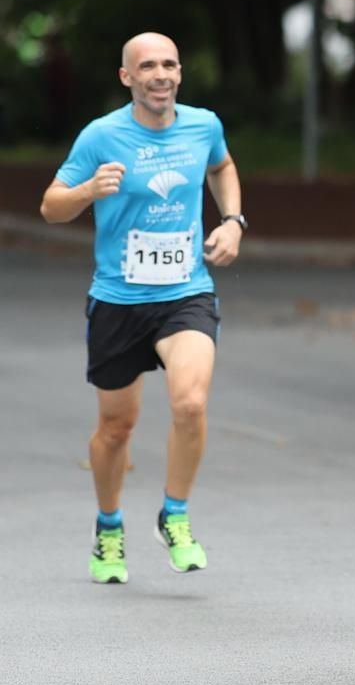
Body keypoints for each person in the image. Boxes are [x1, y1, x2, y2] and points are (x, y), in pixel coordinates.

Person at [39, 32, 246, 584]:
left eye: (169, 64)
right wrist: (87, 191)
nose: (161, 75)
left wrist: (232, 221)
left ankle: (174, 515)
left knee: (190, 402)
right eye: (148, 66)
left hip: (186, 293)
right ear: (126, 77)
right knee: (116, 428)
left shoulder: (203, 125)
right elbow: (51, 207)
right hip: (119, 300)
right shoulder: (101, 135)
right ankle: (108, 525)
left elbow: (222, 167)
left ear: (180, 72)